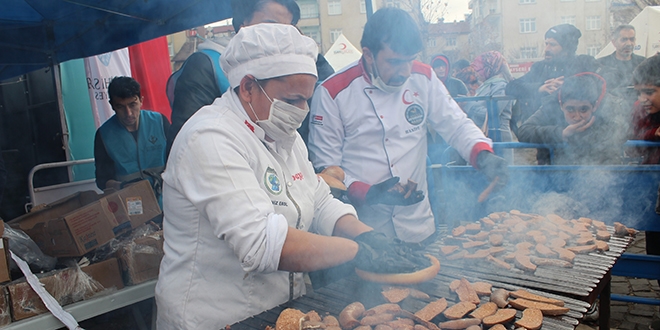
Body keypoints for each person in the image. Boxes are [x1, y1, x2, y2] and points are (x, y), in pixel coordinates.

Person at [156, 24, 427, 329]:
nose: (302, 110)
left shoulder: (284, 134)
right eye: (292, 100)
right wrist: (359, 251)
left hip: (276, 312)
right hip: (216, 317)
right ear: (248, 87)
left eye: (307, 99)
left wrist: (367, 235)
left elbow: (320, 200)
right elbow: (261, 243)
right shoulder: (209, 138)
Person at [307, 8, 509, 244]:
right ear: (368, 55)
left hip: (418, 226)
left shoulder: (423, 77)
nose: (404, 72)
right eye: (393, 62)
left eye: (409, 60)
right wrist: (367, 192)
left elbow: (456, 125)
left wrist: (482, 154)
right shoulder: (333, 92)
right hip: (363, 231)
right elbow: (328, 169)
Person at [166, 0, 334, 153]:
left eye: (289, 28)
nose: (283, 35)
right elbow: (188, 139)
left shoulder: (307, 62)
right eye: (270, 25)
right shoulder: (207, 64)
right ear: (242, 25)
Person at [517, 73, 625, 165]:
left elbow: (623, 130)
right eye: (570, 109)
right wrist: (561, 133)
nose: (577, 117)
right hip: (555, 172)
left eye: (583, 109)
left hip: (599, 171)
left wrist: (588, 135)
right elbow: (524, 131)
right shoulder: (551, 106)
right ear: (561, 105)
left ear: (595, 106)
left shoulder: (609, 108)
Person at [506, 24, 603, 124]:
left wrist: (568, 85)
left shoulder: (583, 64)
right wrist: (540, 88)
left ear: (567, 48)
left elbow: (605, 84)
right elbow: (511, 87)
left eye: (552, 45)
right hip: (541, 128)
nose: (547, 49)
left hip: (575, 127)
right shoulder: (540, 67)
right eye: (546, 43)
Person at [94, 76, 169, 196]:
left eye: (132, 104)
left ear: (141, 101)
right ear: (112, 105)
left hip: (166, 198)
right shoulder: (104, 135)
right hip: (130, 202)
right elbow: (102, 180)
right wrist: (121, 186)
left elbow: (178, 161)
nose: (128, 113)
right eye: (120, 107)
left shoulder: (160, 122)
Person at [629, 54, 660, 273]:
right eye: (639, 92)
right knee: (655, 249)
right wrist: (653, 133)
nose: (643, 98)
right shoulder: (639, 109)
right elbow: (632, 140)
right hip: (651, 185)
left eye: (649, 92)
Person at [463, 51, 515, 163]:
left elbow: (492, 113)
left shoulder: (502, 86)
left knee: (500, 174)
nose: (477, 73)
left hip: (498, 137)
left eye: (480, 69)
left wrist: (468, 104)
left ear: (490, 68)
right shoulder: (485, 85)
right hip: (485, 135)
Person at [598, 25, 645, 101]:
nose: (629, 44)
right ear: (614, 42)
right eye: (624, 39)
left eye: (632, 39)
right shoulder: (601, 64)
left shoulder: (643, 64)